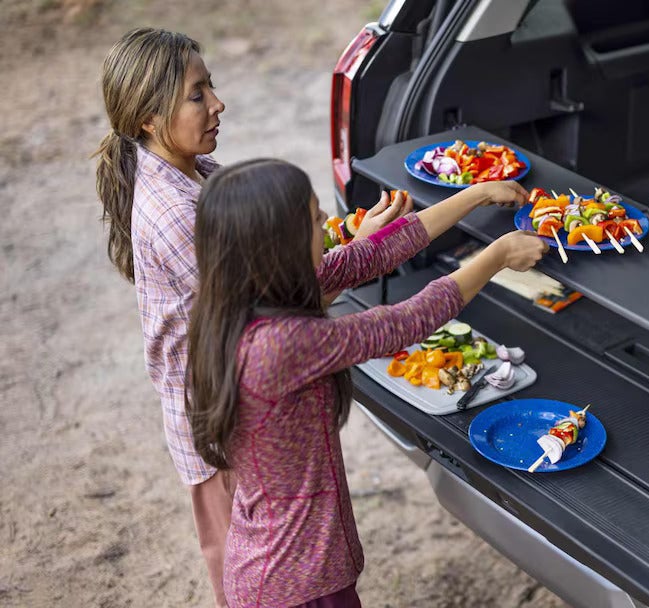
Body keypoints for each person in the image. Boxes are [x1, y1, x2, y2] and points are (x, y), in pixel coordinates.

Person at [92, 27, 467, 605]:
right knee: (267, 572)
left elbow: (280, 281)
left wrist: (359, 247)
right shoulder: (175, 217)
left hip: (243, 410)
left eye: (209, 85)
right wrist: (362, 256)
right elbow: (280, 309)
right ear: (147, 116)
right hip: (222, 421)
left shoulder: (197, 172)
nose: (217, 102)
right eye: (198, 94)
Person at [185, 158, 547, 607]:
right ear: (280, 246)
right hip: (298, 585)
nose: (326, 225)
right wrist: (494, 258)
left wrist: (476, 194)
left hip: (269, 568)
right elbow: (402, 323)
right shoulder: (277, 345)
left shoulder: (237, 304)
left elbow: (369, 254)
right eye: (316, 218)